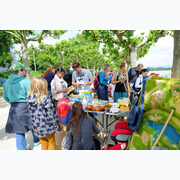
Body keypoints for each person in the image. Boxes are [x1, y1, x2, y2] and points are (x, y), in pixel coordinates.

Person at [3, 62, 40, 150]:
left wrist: (12, 101)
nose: (26, 72)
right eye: (24, 71)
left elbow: (5, 97)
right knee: (32, 124)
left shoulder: (6, 82)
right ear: (20, 71)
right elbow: (31, 96)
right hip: (25, 105)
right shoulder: (26, 82)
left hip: (14, 107)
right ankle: (36, 141)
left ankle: (23, 149)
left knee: (19, 130)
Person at [27, 77, 60, 150]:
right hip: (48, 127)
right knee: (51, 142)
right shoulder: (46, 98)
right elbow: (51, 114)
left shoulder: (28, 98)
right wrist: (56, 126)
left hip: (36, 127)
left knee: (43, 143)